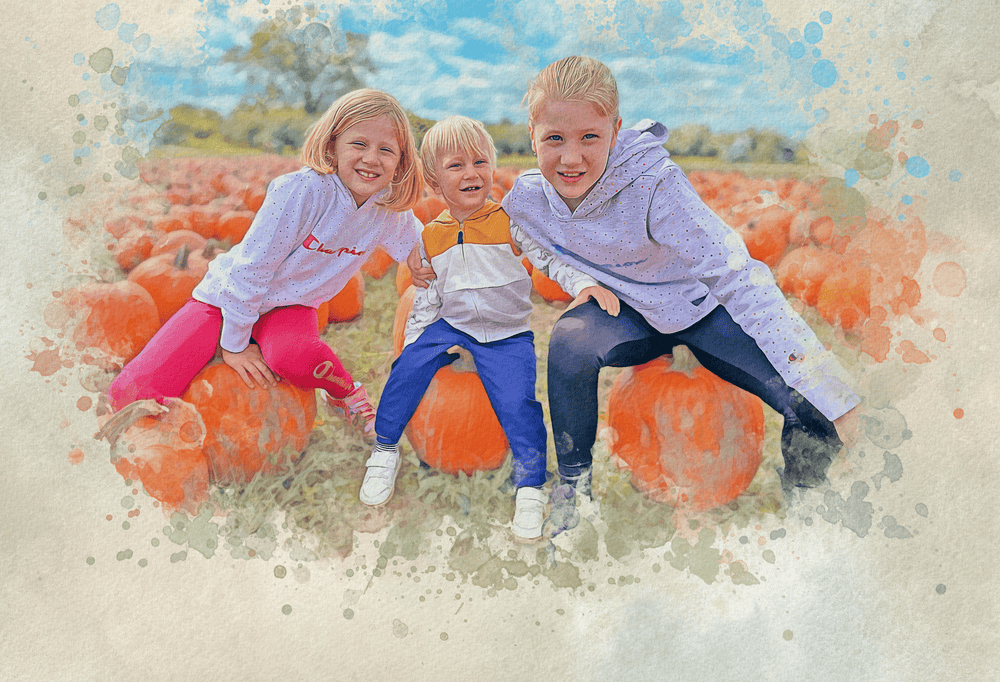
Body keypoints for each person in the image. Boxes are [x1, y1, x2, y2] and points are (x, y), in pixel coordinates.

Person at [412, 57, 862, 533]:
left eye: (590, 137)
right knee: (570, 341)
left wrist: (835, 392)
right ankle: (574, 489)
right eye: (554, 139)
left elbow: (737, 276)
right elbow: (488, 246)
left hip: (700, 312)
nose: (571, 158)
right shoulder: (526, 200)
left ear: (615, 129)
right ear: (532, 134)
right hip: (626, 316)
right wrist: (428, 263)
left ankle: (807, 510)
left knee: (816, 407)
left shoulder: (655, 186)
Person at [107, 88, 424, 435]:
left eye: (386, 150)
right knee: (130, 395)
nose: (372, 159)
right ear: (332, 145)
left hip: (291, 306)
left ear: (401, 162)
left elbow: (423, 250)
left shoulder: (387, 211)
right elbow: (252, 271)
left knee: (295, 354)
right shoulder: (302, 191)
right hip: (228, 298)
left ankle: (346, 393)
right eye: (359, 144)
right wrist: (235, 344)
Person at [361, 115, 619, 541]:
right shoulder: (431, 237)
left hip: (505, 334)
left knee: (519, 406)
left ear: (492, 168)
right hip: (452, 326)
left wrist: (584, 284)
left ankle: (531, 488)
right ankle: (385, 450)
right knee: (404, 373)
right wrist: (413, 346)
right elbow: (427, 297)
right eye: (456, 165)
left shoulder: (509, 222)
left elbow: (551, 260)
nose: (471, 173)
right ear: (434, 180)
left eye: (480, 162)